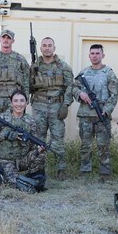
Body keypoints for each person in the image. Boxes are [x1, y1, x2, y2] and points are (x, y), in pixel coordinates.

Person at [0, 29, 30, 172]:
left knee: (15, 130)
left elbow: (26, 81)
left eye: (9, 38)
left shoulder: (20, 59)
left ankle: (14, 165)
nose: (6, 40)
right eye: (3, 38)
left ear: (13, 41)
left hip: (14, 101)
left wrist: (25, 99)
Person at [30, 37, 73, 180]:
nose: (47, 48)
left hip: (56, 106)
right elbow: (27, 87)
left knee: (57, 138)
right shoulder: (34, 66)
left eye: (50, 45)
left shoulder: (63, 66)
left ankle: (61, 170)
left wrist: (66, 105)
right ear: (40, 48)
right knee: (38, 138)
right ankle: (38, 168)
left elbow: (70, 88)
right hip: (39, 106)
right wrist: (32, 74)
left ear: (54, 48)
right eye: (44, 46)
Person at [73, 44, 118, 182]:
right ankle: (85, 172)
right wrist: (80, 93)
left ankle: (105, 173)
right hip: (86, 115)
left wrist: (107, 110)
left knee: (103, 146)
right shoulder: (83, 73)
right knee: (85, 145)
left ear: (102, 55)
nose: (95, 56)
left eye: (98, 53)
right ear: (89, 55)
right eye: (92, 53)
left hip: (102, 115)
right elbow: (73, 88)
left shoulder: (109, 72)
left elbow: (114, 94)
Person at [0, 90, 46, 188]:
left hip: (21, 160)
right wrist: (5, 135)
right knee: (13, 185)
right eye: (16, 101)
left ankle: (32, 178)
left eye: (22, 101)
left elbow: (34, 144)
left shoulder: (30, 121)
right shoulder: (2, 118)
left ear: (26, 103)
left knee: (40, 154)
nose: (19, 104)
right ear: (11, 103)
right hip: (5, 161)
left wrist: (38, 150)